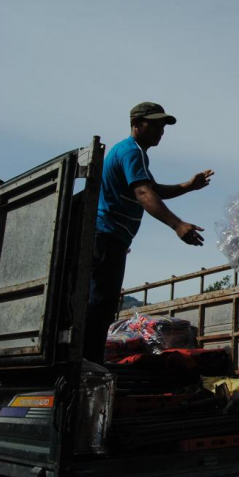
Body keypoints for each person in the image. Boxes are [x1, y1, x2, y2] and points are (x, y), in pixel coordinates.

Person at [83, 102, 214, 364]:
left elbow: (151, 188)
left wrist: (188, 186)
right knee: (99, 308)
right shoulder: (132, 151)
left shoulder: (132, 153)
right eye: (154, 124)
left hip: (110, 238)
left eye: (163, 126)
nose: (160, 130)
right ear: (136, 124)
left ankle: (88, 363)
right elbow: (144, 193)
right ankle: (87, 367)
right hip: (107, 236)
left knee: (99, 306)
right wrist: (177, 225)